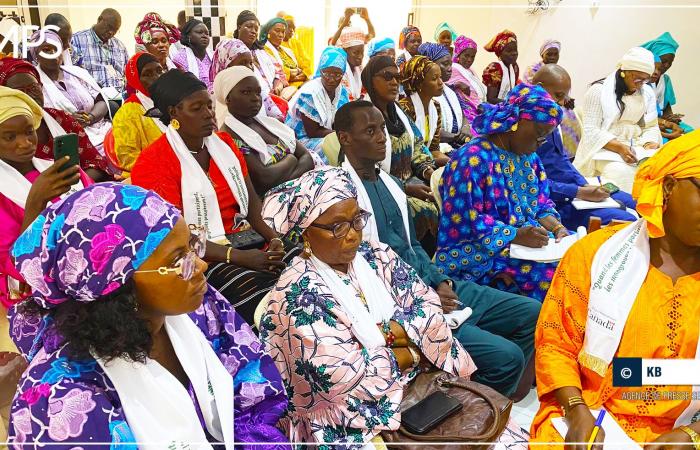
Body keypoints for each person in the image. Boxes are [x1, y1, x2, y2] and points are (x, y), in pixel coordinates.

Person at [6, 182, 291, 448]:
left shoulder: (199, 308)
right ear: (117, 285)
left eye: (193, 246)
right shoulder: (60, 400)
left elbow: (252, 388)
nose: (201, 265)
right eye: (179, 260)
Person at [259, 167, 529, 447]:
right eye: (337, 227)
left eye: (356, 221)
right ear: (306, 233)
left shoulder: (376, 255)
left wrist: (382, 339)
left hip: (423, 390)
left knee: (504, 436)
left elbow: (429, 309)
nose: (352, 235)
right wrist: (413, 349)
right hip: (349, 422)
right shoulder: (296, 296)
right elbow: (343, 381)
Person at [335, 100, 541, 399]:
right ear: (345, 138)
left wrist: (440, 281)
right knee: (507, 357)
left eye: (382, 128)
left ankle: (490, 398)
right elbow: (360, 271)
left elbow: (413, 246)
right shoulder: (341, 195)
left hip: (432, 282)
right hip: (399, 302)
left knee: (531, 311)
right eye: (370, 131)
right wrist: (427, 293)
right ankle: (474, 410)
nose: (382, 137)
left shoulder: (390, 182)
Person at [530, 130, 700, 448]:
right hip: (596, 410)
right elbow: (556, 343)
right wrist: (576, 409)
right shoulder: (597, 253)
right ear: (669, 186)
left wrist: (693, 434)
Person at [131, 69, 297, 324]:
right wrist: (238, 257)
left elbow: (252, 204)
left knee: (301, 261)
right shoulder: (154, 162)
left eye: (209, 105)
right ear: (174, 113)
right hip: (200, 257)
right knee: (257, 292)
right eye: (197, 108)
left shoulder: (224, 144)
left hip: (246, 240)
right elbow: (174, 236)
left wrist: (274, 239)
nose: (209, 114)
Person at [436, 83, 566, 302]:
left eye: (545, 137)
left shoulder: (529, 158)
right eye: (538, 134)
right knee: (557, 280)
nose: (539, 143)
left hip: (529, 246)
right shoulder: (472, 160)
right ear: (515, 122)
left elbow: (541, 205)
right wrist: (514, 235)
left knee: (578, 262)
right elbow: (466, 221)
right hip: (480, 254)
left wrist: (558, 228)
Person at [0, 86, 90, 309]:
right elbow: (14, 267)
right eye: (9, 137)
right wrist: (36, 202)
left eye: (29, 131)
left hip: (87, 265)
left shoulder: (57, 169)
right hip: (33, 287)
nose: (25, 143)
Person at [532, 64, 637, 230]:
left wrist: (584, 185)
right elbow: (530, 185)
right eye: (558, 96)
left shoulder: (550, 119)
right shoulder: (526, 127)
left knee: (636, 203)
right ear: (539, 88)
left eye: (564, 97)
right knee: (626, 220)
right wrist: (578, 192)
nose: (560, 103)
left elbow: (562, 162)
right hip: (556, 201)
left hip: (573, 189)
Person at [361, 56, 439, 244]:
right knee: (424, 209)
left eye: (398, 77)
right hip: (380, 189)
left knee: (446, 195)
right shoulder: (362, 116)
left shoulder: (397, 112)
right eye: (387, 77)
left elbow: (418, 145)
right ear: (371, 80)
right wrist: (405, 188)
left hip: (412, 181)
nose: (395, 82)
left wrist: (429, 172)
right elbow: (365, 168)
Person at [0, 57, 109, 181]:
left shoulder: (61, 119)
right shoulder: (2, 132)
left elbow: (95, 163)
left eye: (34, 88)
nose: (29, 96)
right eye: (19, 92)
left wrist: (73, 189)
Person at [573, 47, 662, 193]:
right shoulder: (598, 91)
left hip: (637, 148)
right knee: (621, 173)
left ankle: (647, 211)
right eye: (637, 78)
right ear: (624, 71)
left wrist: (649, 143)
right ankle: (625, 212)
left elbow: (651, 126)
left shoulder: (647, 93)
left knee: (657, 170)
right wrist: (619, 147)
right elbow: (591, 130)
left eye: (645, 79)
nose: (641, 84)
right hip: (603, 148)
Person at [214, 66, 314, 195]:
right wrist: (291, 159)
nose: (255, 98)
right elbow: (265, 178)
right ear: (228, 98)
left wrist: (287, 172)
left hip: (299, 186)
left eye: (257, 92)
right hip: (278, 200)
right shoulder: (230, 137)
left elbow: (307, 158)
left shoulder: (270, 124)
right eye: (246, 92)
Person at [31, 30, 112, 156]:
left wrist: (90, 117)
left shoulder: (77, 73)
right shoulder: (35, 84)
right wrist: (69, 122)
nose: (53, 54)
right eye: (46, 50)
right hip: (71, 143)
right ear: (36, 55)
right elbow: (39, 121)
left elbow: (101, 100)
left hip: (104, 132)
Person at [285, 47, 349, 164]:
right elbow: (312, 132)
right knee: (334, 149)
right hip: (301, 140)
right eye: (327, 73)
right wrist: (341, 135)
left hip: (327, 134)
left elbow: (341, 120)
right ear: (320, 71)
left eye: (337, 75)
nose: (331, 79)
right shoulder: (310, 93)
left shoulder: (342, 92)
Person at [110, 52, 166, 175]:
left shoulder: (173, 102)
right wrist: (167, 171)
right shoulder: (127, 113)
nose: (157, 77)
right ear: (136, 80)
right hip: (147, 175)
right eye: (147, 74)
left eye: (159, 71)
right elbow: (128, 158)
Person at [210, 38, 285, 120]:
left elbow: (276, 114)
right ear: (226, 65)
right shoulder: (214, 96)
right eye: (242, 63)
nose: (249, 67)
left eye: (250, 63)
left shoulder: (255, 86)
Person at [417, 42, 471, 149]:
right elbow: (427, 128)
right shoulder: (424, 94)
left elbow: (464, 113)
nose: (450, 68)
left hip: (457, 142)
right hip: (438, 148)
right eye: (445, 64)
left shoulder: (450, 90)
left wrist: (465, 128)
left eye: (450, 63)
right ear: (430, 65)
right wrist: (455, 137)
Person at [399, 55, 449, 167]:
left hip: (427, 162)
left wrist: (451, 163)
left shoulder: (435, 107)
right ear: (420, 83)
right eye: (434, 79)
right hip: (410, 167)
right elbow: (406, 154)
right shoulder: (405, 108)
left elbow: (433, 149)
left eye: (440, 77)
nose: (441, 82)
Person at [641, 32, 693, 134]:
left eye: (670, 62)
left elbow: (667, 109)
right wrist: (665, 122)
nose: (667, 65)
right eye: (664, 61)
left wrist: (671, 118)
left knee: (691, 133)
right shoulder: (640, 79)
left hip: (662, 122)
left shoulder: (665, 80)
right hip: (644, 124)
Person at [70, 8, 129, 95]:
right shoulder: (76, 40)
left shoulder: (120, 47)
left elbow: (127, 75)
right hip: (92, 97)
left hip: (119, 97)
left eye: (115, 30)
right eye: (109, 27)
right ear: (99, 20)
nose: (111, 32)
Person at [234, 11, 286, 99]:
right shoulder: (233, 53)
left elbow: (278, 74)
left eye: (256, 29)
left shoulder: (261, 52)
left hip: (273, 97)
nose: (253, 31)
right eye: (249, 27)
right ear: (239, 27)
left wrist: (277, 88)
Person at [260, 18, 306, 97]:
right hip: (285, 91)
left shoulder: (287, 50)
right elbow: (278, 72)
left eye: (283, 32)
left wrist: (294, 74)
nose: (281, 35)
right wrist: (297, 72)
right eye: (277, 31)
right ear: (268, 32)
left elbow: (303, 69)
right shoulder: (263, 51)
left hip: (299, 86)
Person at [448, 35, 487, 125]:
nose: (469, 60)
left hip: (480, 109)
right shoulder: (453, 69)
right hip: (466, 115)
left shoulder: (470, 70)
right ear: (458, 54)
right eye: (466, 56)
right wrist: (457, 85)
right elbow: (445, 88)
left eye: (472, 57)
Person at [173, 19, 214, 91]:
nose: (204, 36)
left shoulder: (214, 55)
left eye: (207, 33)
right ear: (188, 36)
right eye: (199, 32)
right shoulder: (180, 58)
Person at [482, 29, 519, 104]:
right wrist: (511, 104)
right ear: (500, 53)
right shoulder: (495, 68)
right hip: (495, 109)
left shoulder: (514, 67)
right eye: (509, 51)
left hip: (508, 106)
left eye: (515, 50)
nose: (514, 53)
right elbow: (491, 99)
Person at [275, 12, 313, 82]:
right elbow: (280, 68)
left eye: (293, 28)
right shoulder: (276, 44)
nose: (291, 30)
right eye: (289, 27)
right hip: (287, 82)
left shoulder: (297, 43)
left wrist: (304, 74)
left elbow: (306, 62)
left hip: (301, 79)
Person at [337, 27, 365, 101]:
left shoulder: (360, 69)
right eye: (356, 53)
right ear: (345, 51)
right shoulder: (338, 71)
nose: (360, 56)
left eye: (362, 52)